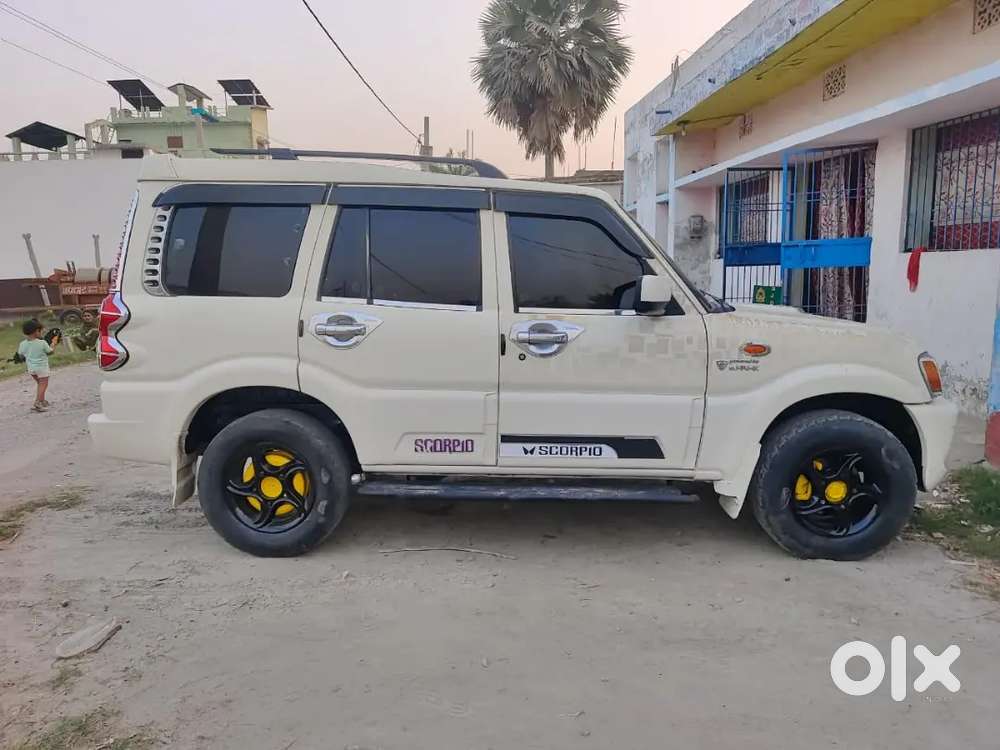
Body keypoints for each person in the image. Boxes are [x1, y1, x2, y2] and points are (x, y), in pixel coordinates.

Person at [17, 319, 58, 412]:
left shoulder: (22, 344)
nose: (41, 333)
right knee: (43, 384)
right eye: (40, 331)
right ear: (36, 331)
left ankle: (42, 400)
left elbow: (21, 355)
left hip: (31, 369)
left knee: (40, 384)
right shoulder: (42, 343)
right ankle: (37, 402)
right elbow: (50, 352)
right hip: (42, 368)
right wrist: (53, 345)